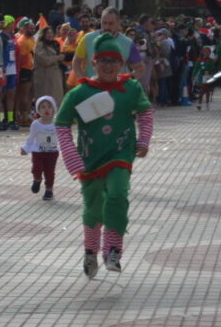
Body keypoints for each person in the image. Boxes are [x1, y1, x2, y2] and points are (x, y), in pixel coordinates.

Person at [55, 33, 154, 277]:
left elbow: (146, 113)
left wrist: (143, 140)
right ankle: (90, 251)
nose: (108, 66)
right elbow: (61, 123)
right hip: (90, 158)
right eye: (103, 60)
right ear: (94, 63)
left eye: (113, 61)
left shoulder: (130, 88)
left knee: (118, 195)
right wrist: (70, 155)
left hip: (121, 153)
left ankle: (113, 250)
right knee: (94, 206)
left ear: (121, 64)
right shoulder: (80, 92)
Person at [20, 95, 60, 201]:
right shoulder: (36, 124)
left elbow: (63, 138)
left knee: (50, 171)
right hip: (38, 152)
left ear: (54, 109)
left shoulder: (57, 124)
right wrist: (26, 148)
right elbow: (31, 138)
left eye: (49, 107)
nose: (46, 109)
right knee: (36, 168)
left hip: (52, 152)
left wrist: (68, 150)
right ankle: (37, 179)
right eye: (43, 107)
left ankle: (49, 190)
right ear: (38, 110)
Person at [33, 26, 65, 107]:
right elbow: (44, 61)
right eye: (47, 33)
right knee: (46, 100)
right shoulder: (40, 45)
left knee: (57, 100)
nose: (50, 35)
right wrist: (58, 58)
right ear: (43, 35)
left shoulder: (55, 44)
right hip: (45, 78)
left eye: (51, 33)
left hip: (55, 76)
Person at [15, 18, 36, 126]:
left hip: (31, 69)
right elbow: (21, 58)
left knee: (29, 94)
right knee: (24, 95)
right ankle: (23, 117)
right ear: (25, 28)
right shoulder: (22, 40)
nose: (33, 30)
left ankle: (25, 115)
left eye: (34, 28)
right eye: (30, 28)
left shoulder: (32, 39)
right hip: (24, 69)